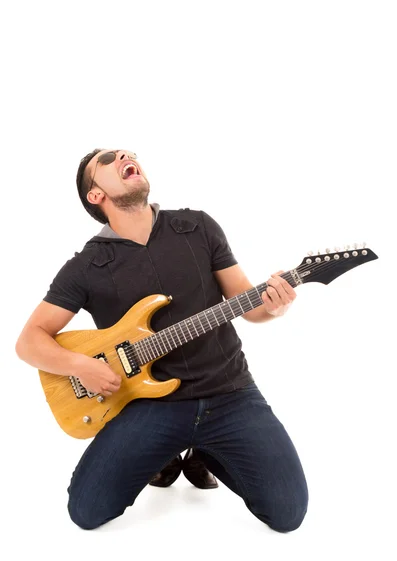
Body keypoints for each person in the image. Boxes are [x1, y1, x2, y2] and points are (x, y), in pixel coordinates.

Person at [15, 148, 308, 532]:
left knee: (287, 514)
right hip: (151, 407)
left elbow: (248, 306)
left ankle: (205, 449)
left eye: (128, 153)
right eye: (109, 160)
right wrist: (81, 365)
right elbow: (29, 342)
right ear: (95, 195)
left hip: (228, 392)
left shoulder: (198, 227)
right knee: (86, 512)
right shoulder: (85, 267)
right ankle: (167, 451)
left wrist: (274, 305)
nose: (124, 155)